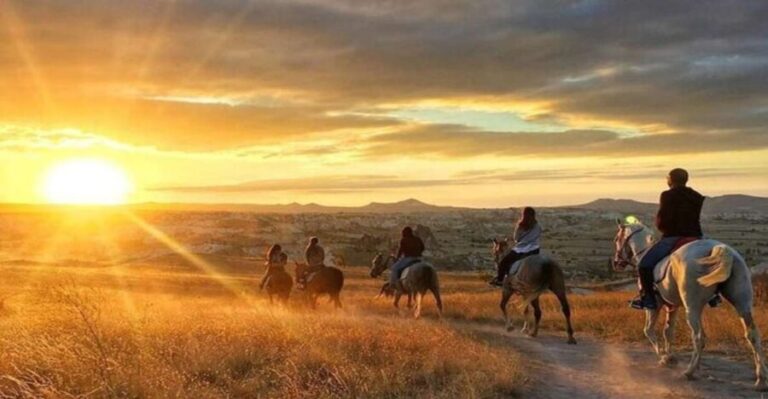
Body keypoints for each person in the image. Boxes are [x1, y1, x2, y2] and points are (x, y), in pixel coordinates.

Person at [630, 168, 710, 310]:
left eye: (667, 178)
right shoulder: (697, 196)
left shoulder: (667, 195)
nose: (667, 180)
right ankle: (714, 295)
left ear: (671, 179)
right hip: (696, 237)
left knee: (644, 265)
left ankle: (648, 299)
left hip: (673, 237)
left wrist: (660, 228)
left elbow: (662, 220)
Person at [489, 207, 542, 287]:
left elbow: (516, 239)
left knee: (504, 262)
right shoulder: (537, 226)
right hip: (535, 250)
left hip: (521, 250)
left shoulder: (521, 225)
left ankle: (500, 280)